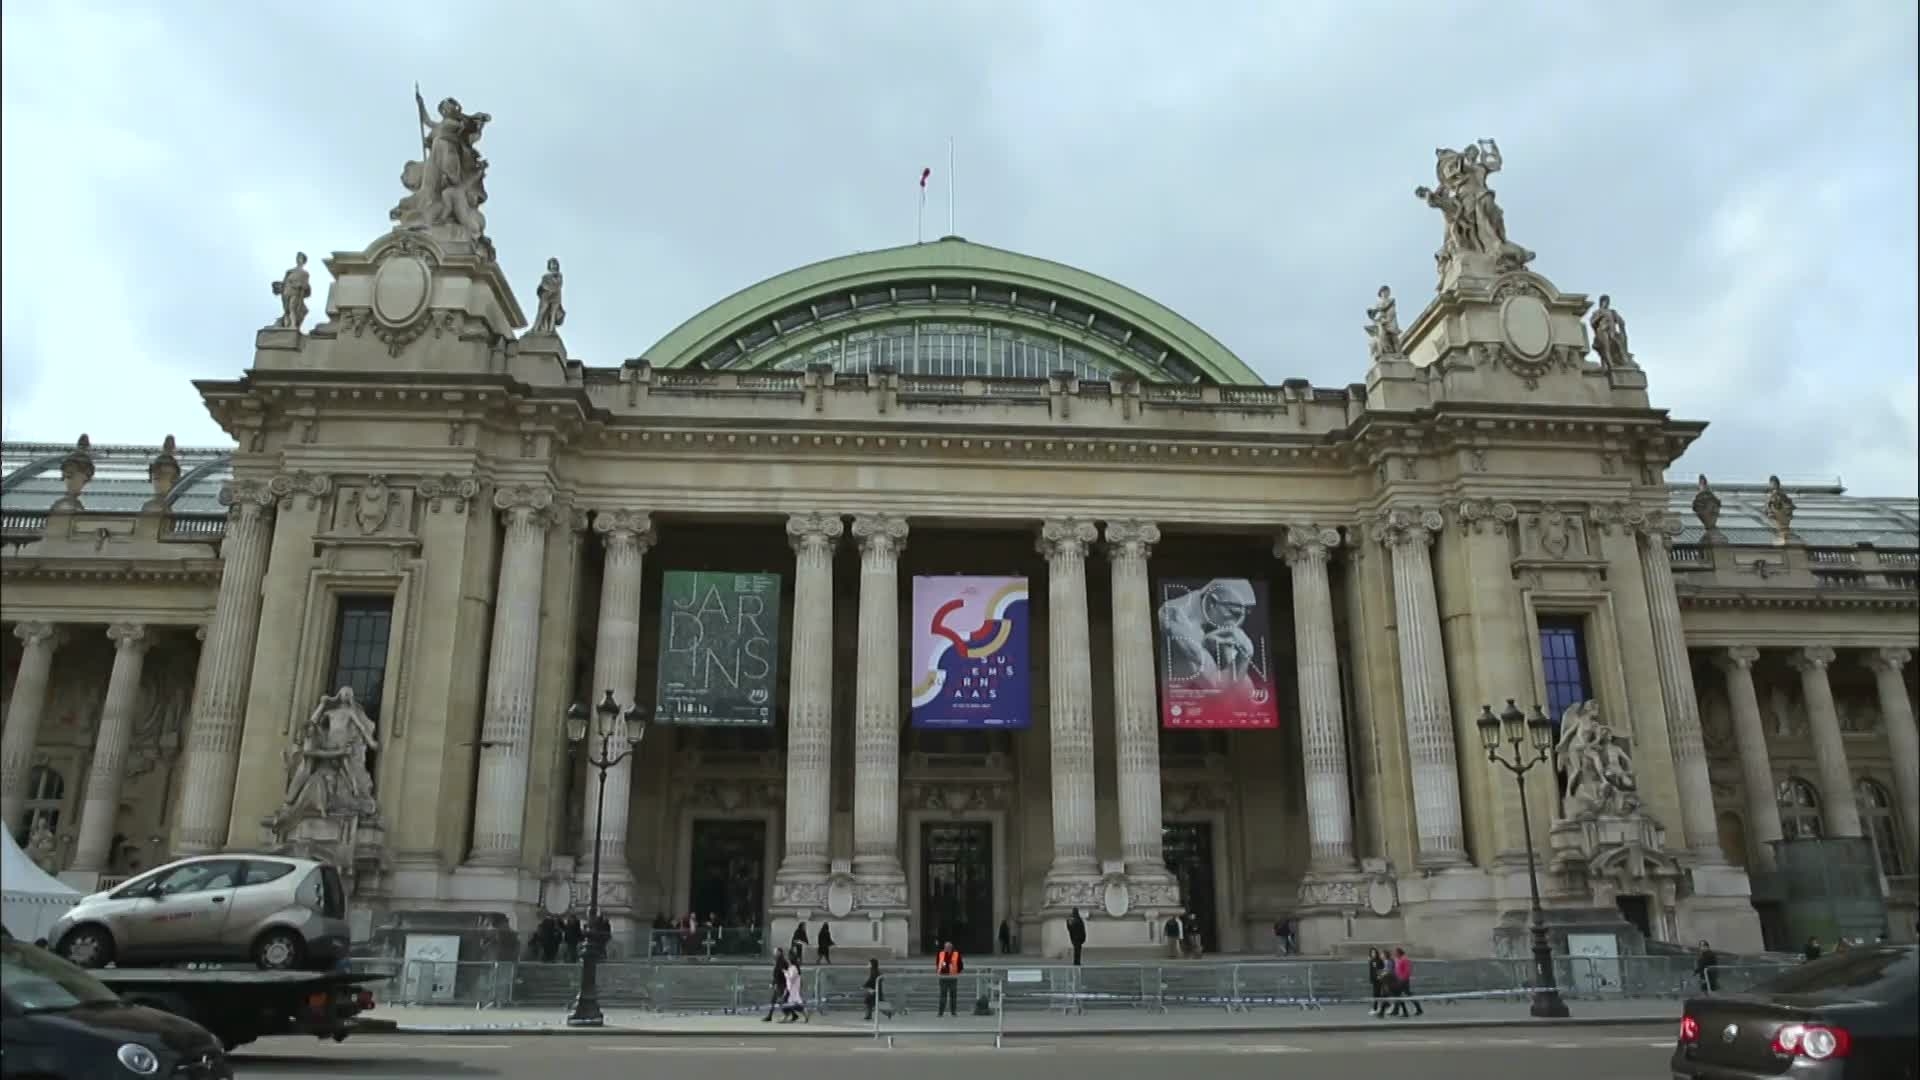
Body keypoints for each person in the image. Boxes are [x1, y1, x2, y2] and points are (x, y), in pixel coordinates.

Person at [1388, 947, 1422, 1017]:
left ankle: (1401, 1011)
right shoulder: (1397, 959)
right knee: (1404, 994)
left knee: (1398, 994)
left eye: (1395, 953)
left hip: (1403, 981)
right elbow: (1396, 970)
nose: (1394, 954)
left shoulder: (1405, 959)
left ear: (1399, 953)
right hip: (1398, 980)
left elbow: (1407, 971)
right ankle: (1417, 1009)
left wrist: (1403, 979)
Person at [935, 941, 964, 1017]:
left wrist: (956, 972)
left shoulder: (956, 954)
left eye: (948, 947)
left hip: (953, 978)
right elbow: (938, 963)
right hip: (943, 977)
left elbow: (960, 965)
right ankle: (940, 1012)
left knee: (953, 996)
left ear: (951, 948)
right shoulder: (940, 953)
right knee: (943, 995)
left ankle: (953, 1012)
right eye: (945, 947)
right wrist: (939, 971)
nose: (946, 949)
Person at [762, 948, 789, 1022]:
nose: (774, 953)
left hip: (782, 984)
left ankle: (787, 1014)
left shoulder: (782, 962)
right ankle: (769, 1016)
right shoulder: (778, 961)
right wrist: (773, 983)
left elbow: (781, 973)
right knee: (774, 1000)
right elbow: (776, 974)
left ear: (779, 952)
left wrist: (776, 983)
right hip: (778, 984)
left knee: (780, 1001)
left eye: (775, 952)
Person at [779, 959, 808, 1023]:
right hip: (789, 989)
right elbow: (788, 980)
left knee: (794, 1004)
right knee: (785, 1003)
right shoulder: (790, 968)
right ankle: (786, 1016)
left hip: (793, 990)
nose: (787, 962)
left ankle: (805, 1014)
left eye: (788, 961)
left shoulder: (794, 968)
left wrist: (785, 972)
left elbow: (791, 978)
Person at [1367, 948, 1390, 1016]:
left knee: (1376, 994)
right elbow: (1371, 971)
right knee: (1377, 994)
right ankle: (1387, 1004)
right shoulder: (1371, 961)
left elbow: (1382, 969)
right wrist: (1371, 979)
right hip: (1374, 980)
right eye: (1372, 953)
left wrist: (1380, 976)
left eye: (1374, 952)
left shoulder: (1379, 960)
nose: (1373, 954)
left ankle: (1375, 1008)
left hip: (1379, 980)